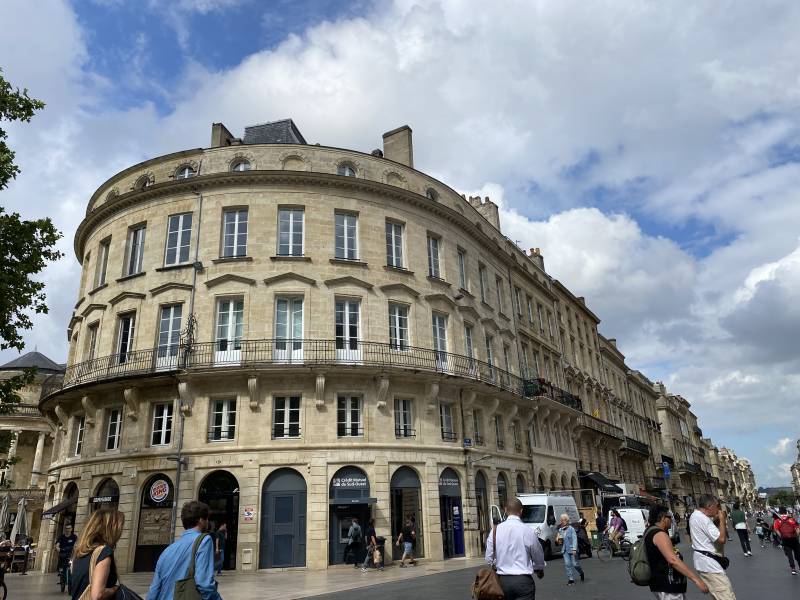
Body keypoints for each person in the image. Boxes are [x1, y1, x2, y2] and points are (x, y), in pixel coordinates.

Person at [148, 501, 222, 600]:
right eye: (207, 519)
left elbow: (154, 590)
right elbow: (204, 585)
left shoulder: (167, 551)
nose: (208, 522)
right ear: (201, 520)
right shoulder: (204, 541)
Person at [485, 498, 545, 600]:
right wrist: (539, 568)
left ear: (505, 510)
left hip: (502, 581)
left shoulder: (495, 531)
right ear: (521, 511)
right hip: (523, 581)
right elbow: (537, 552)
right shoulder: (527, 530)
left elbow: (488, 558)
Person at [644, 505, 709, 599]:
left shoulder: (650, 531)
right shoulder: (659, 534)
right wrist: (696, 580)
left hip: (662, 585)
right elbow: (673, 560)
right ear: (663, 518)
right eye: (670, 517)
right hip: (667, 586)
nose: (672, 520)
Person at [69, 509, 125, 600]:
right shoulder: (104, 552)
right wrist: (115, 589)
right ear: (109, 529)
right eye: (120, 528)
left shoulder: (80, 552)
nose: (121, 532)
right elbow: (97, 595)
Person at [689, 494, 736, 600]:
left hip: (704, 563)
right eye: (717, 506)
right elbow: (722, 539)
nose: (718, 509)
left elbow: (709, 531)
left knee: (717, 596)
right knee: (726, 596)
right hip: (710, 565)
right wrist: (722, 520)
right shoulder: (703, 519)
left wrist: (716, 520)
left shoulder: (695, 516)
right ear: (709, 506)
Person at [557, 514, 584, 585]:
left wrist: (574, 549)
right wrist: (558, 540)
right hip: (565, 550)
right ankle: (571, 579)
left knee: (575, 564)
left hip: (572, 549)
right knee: (567, 564)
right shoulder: (560, 530)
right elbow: (559, 540)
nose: (563, 521)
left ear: (568, 521)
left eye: (564, 520)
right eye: (562, 520)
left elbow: (575, 539)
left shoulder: (571, 529)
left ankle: (581, 572)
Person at [773, 507, 800, 575]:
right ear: (786, 512)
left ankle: (793, 569)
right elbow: (797, 529)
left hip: (785, 540)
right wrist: (796, 536)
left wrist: (781, 537)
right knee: (798, 554)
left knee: (789, 555)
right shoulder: (791, 519)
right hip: (794, 539)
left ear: (779, 512)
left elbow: (776, 530)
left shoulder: (777, 520)